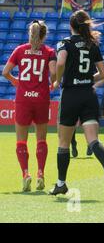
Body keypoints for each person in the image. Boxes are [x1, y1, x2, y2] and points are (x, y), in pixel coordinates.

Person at [49, 10, 104, 196]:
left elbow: (61, 62)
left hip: (71, 94)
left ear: (70, 26)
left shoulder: (64, 43)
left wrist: (57, 80)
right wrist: (88, 79)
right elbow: (103, 74)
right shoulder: (92, 44)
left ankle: (61, 183)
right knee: (93, 140)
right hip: (88, 94)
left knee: (63, 142)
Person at [2, 20, 56, 191]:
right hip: (41, 98)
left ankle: (26, 174)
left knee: (21, 141)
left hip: (23, 99)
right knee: (41, 139)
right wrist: (52, 84)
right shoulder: (49, 52)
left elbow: (5, 72)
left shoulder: (19, 50)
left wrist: (16, 82)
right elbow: (54, 74)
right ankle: (40, 173)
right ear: (44, 35)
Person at [71, 79, 104, 158]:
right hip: (74, 96)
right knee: (73, 123)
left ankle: (90, 144)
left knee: (91, 121)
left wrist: (94, 86)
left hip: (89, 97)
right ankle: (73, 143)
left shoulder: (92, 68)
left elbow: (103, 77)